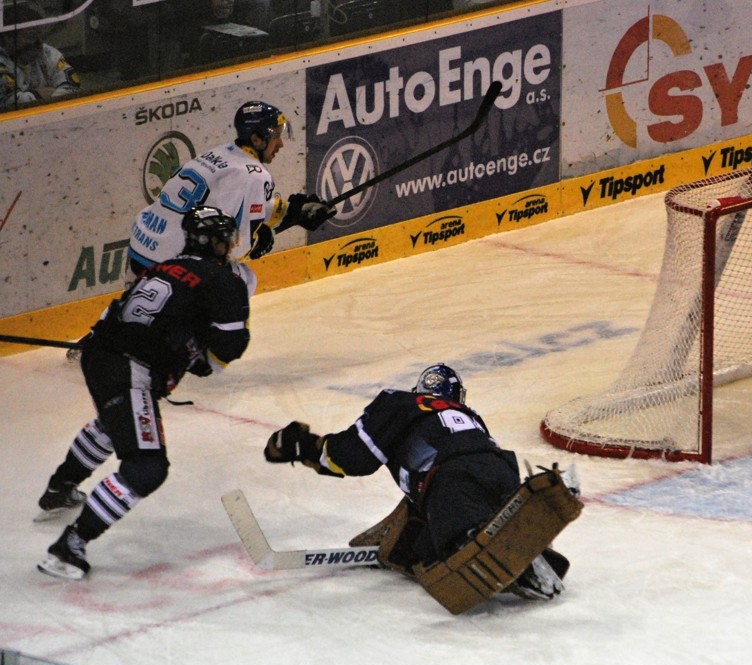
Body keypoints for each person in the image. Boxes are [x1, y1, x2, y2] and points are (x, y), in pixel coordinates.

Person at [34, 207, 251, 580]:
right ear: (215, 242)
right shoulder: (222, 279)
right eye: (226, 238)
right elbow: (231, 342)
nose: (229, 245)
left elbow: (115, 315)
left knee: (113, 425)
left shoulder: (162, 267)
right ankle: (69, 547)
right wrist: (203, 363)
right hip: (130, 367)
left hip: (99, 356)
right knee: (147, 466)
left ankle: (60, 488)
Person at [262, 364, 570, 604]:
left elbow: (355, 455)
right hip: (503, 471)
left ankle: (503, 554)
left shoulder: (402, 403)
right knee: (426, 543)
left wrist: (306, 447)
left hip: (452, 479)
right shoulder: (470, 415)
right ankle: (523, 546)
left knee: (457, 544)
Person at [128, 99, 335, 291]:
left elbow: (234, 210)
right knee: (244, 279)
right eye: (275, 136)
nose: (280, 143)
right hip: (169, 263)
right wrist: (258, 242)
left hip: (140, 247)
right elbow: (238, 250)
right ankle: (222, 331)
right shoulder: (256, 175)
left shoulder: (221, 152)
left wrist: (294, 211)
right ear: (256, 139)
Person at [0, 4, 81, 110]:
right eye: (31, 36)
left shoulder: (48, 53)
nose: (39, 42)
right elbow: (10, 103)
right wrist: (38, 94)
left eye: (40, 35)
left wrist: (49, 99)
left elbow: (72, 85)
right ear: (8, 38)